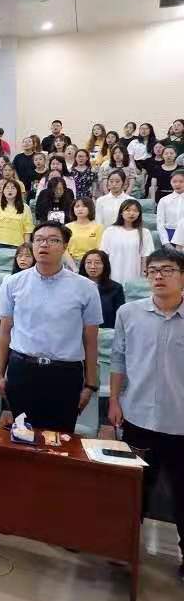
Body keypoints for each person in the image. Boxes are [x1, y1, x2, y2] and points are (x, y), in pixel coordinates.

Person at [108, 248, 184, 582]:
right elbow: (118, 359)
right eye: (153, 270)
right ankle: (123, 547)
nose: (158, 276)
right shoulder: (129, 313)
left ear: (182, 276)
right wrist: (114, 401)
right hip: (138, 417)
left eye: (167, 270)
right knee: (133, 489)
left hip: (180, 423)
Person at [0, 222, 102, 431]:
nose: (44, 245)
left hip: (65, 374)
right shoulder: (13, 283)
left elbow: (90, 341)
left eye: (53, 240)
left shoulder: (86, 288)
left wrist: (90, 384)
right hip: (22, 371)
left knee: (59, 441)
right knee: (21, 437)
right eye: (39, 240)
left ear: (65, 247)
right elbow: (5, 332)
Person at [100, 199, 154, 284]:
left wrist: (144, 276)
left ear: (139, 214)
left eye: (135, 211)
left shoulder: (145, 232)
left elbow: (145, 256)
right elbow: (104, 255)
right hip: (113, 275)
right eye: (128, 210)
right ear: (121, 212)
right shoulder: (110, 230)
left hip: (135, 275)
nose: (131, 213)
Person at [78, 249, 125, 329]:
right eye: (89, 262)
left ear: (105, 265)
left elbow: (121, 317)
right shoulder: (77, 286)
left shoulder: (116, 288)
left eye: (97, 263)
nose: (93, 266)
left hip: (108, 332)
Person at [0, 179, 33, 254]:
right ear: (3, 191)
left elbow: (27, 230)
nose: (10, 190)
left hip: (18, 245)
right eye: (7, 188)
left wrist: (26, 246)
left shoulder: (26, 208)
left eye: (13, 188)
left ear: (18, 191)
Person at [65, 197, 103, 263]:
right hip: (71, 262)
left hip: (92, 262)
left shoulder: (98, 227)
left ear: (90, 208)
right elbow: (64, 249)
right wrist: (73, 266)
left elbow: (100, 249)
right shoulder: (67, 227)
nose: (80, 209)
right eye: (77, 206)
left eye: (84, 206)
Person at [156, 169, 184, 250]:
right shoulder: (164, 200)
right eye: (174, 181)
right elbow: (160, 223)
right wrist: (166, 242)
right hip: (170, 237)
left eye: (181, 181)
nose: (177, 184)